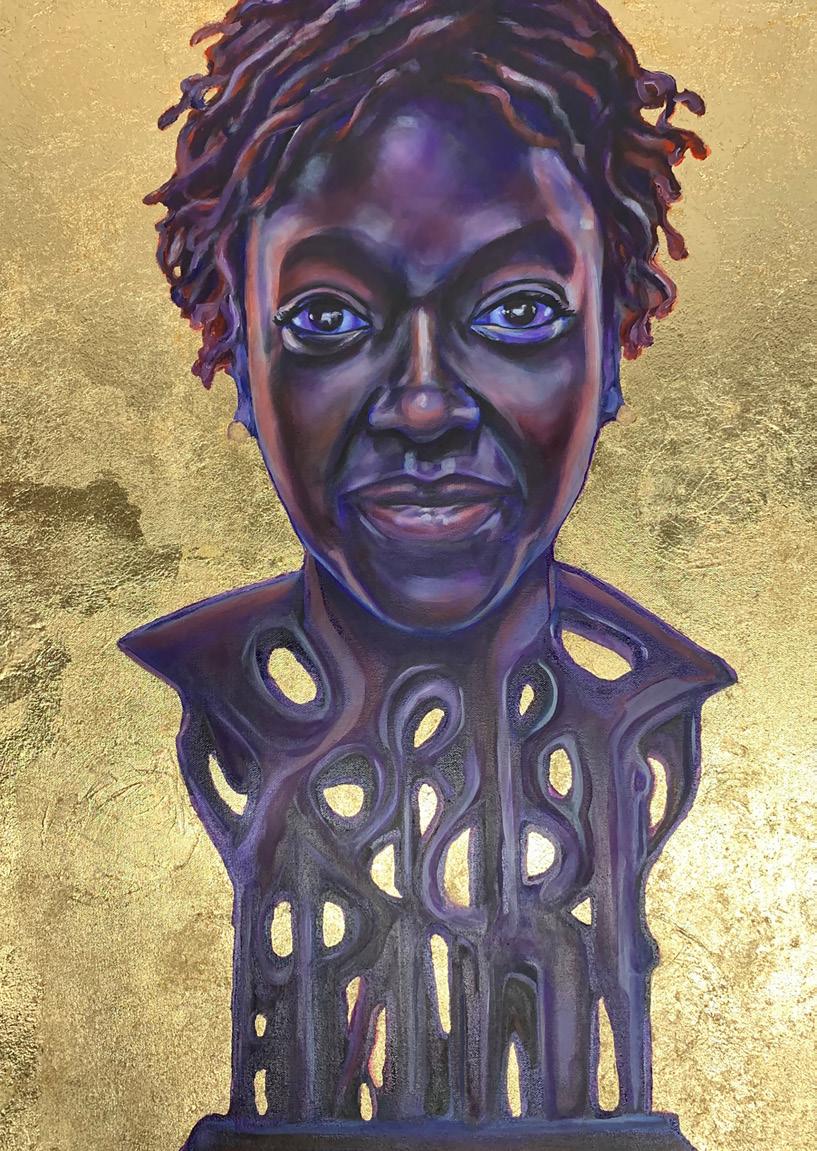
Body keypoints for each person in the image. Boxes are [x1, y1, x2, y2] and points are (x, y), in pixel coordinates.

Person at [119, 3, 735, 1148]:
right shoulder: (201, 698)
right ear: (237, 358)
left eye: (517, 310)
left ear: (612, 348)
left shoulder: (654, 715)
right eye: (326, 314)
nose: (422, 405)